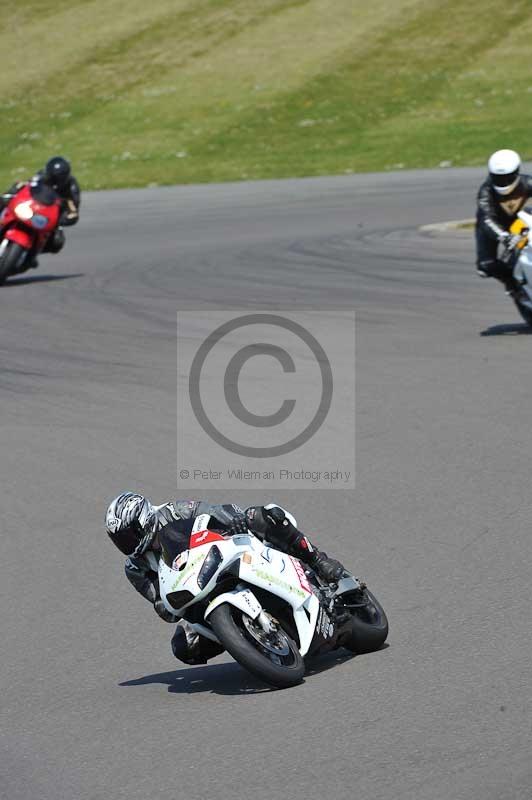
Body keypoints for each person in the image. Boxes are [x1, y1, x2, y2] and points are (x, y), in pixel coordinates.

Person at [106, 493, 346, 665]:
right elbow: (162, 606)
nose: (128, 544)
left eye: (130, 535)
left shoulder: (173, 511)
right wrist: (169, 604)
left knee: (264, 516)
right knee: (184, 647)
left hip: (224, 553)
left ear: (144, 520)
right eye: (120, 541)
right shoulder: (135, 569)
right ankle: (244, 640)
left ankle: (318, 561)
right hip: (196, 592)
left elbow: (215, 512)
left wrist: (235, 520)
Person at [0, 156, 80, 268]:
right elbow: (26, 185)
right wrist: (11, 193)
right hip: (35, 207)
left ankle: (32, 254)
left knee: (57, 241)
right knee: (3, 202)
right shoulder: (42, 175)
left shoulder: (72, 187)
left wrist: (67, 218)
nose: (55, 179)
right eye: (52, 176)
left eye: (58, 177)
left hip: (51, 215)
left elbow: (73, 210)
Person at [475, 149, 532, 295]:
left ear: (517, 172)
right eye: (498, 178)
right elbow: (487, 219)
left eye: (507, 178)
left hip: (519, 221)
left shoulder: (527, 182)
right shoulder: (485, 192)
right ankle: (512, 285)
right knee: (485, 266)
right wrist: (504, 237)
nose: (503, 182)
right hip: (493, 227)